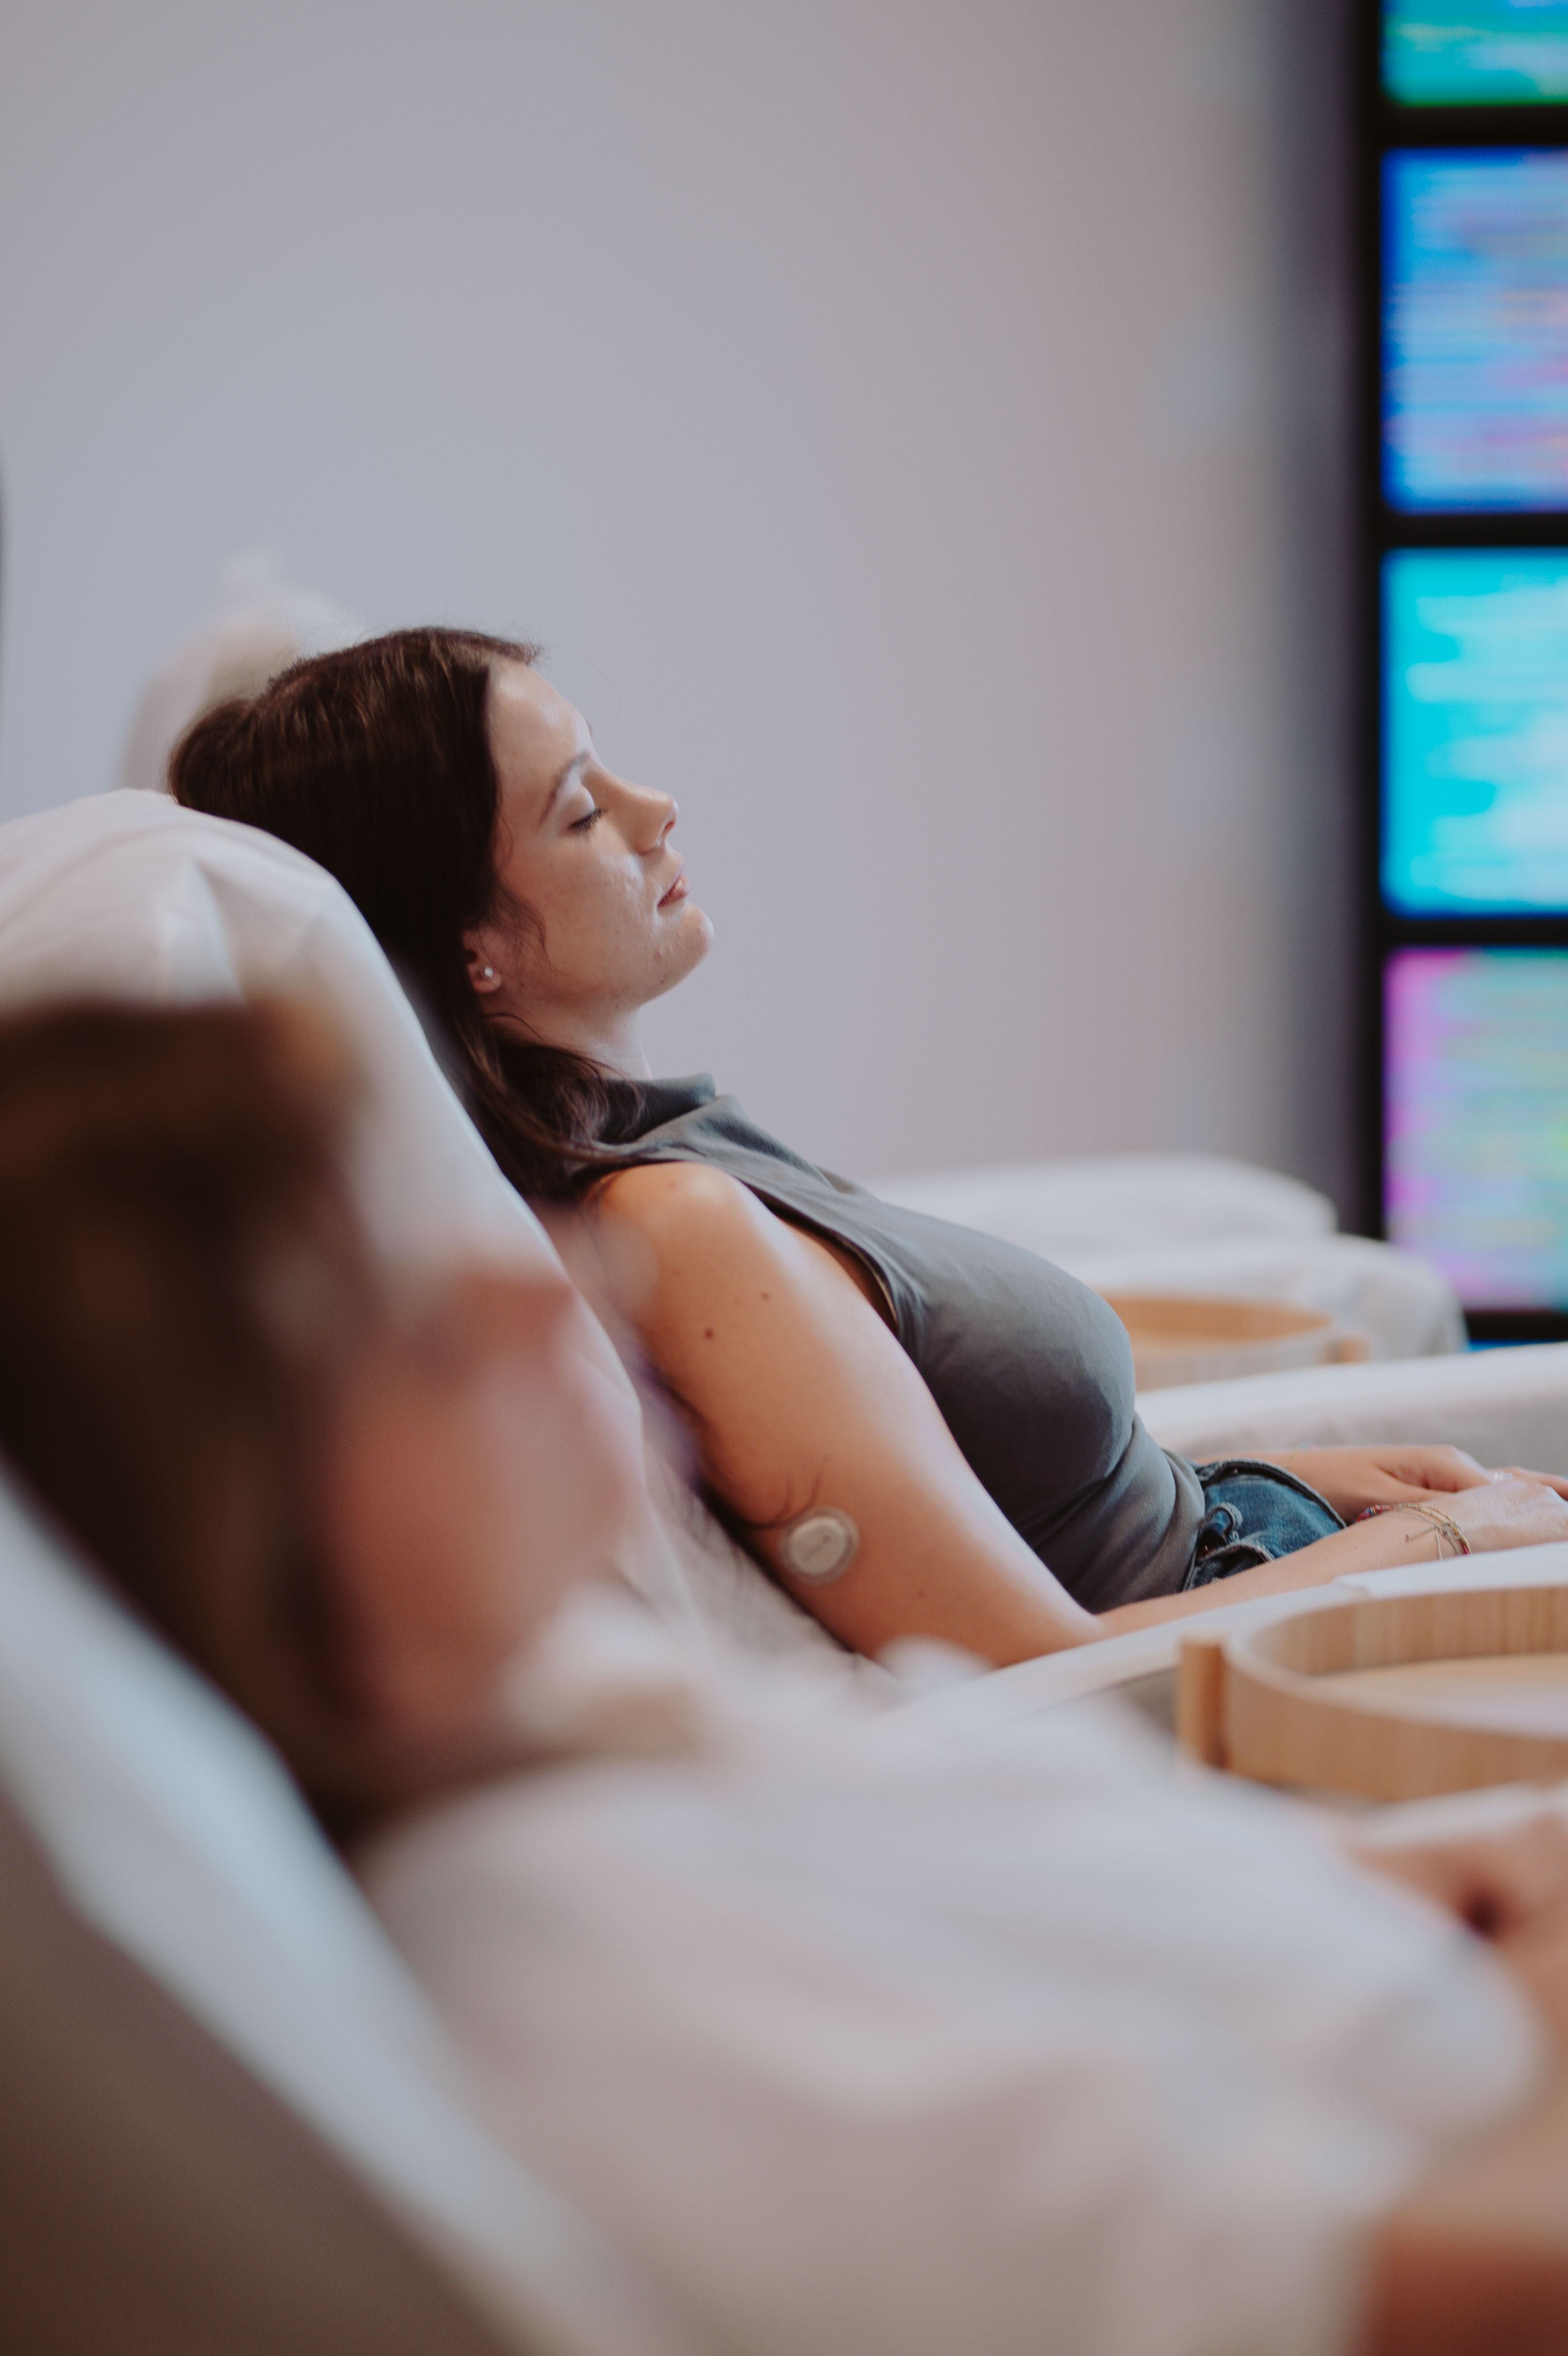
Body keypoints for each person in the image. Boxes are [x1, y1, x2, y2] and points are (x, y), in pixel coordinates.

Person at [6, 995, 1568, 2355]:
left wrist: (1427, 1880)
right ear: (244, 1529)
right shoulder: (607, 1984)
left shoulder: (597, 1715)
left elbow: (1102, 1911)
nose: (548, 1288)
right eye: (405, 1318)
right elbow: (1454, 2297)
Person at [168, 632, 1568, 1664]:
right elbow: (1029, 1667)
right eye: (582, 810)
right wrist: (1445, 1544)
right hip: (1255, 1664)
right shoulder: (675, 1235)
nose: (658, 810)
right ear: (469, 947)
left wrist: (1303, 1480)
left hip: (1264, 1548)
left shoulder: (666, 1144)